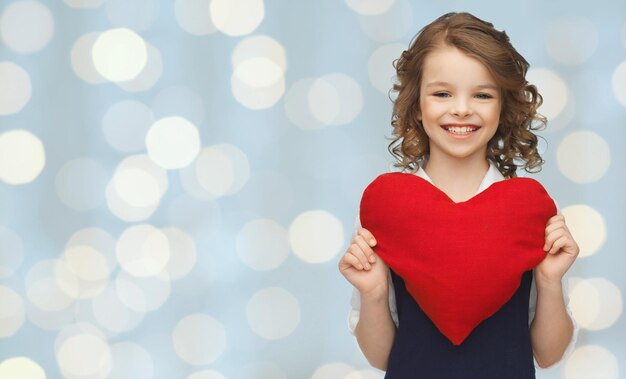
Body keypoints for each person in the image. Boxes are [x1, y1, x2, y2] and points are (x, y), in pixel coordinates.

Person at [338, 12, 579, 378]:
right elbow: (382, 357)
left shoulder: (532, 210)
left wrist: (549, 280)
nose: (462, 108)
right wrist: (373, 293)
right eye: (442, 93)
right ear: (417, 105)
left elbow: (548, 355)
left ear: (503, 106)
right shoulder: (387, 209)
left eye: (482, 94)